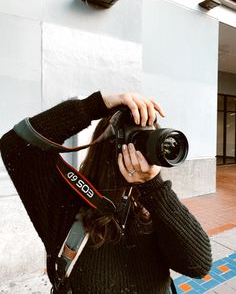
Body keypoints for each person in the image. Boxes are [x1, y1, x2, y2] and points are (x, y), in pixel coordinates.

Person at [0, 91, 212, 294]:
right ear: (108, 145)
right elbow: (16, 145)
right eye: (134, 136)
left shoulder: (153, 206)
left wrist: (153, 187)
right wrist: (95, 105)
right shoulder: (67, 205)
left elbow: (199, 265)